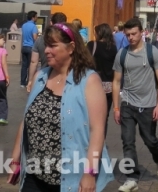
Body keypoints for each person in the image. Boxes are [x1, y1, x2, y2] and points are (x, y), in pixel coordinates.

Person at [8, 22, 113, 192]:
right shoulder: (40, 77)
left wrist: (89, 173)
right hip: (35, 175)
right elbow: (26, 120)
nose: (46, 50)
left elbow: (97, 131)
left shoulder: (89, 81)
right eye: (46, 45)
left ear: (71, 48)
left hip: (71, 179)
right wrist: (15, 160)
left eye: (53, 46)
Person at [112, 17, 158, 192]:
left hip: (148, 105)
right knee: (127, 141)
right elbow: (116, 82)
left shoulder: (152, 52)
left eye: (134, 34)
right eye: (127, 35)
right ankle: (131, 178)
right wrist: (116, 107)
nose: (130, 37)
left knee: (150, 139)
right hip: (128, 104)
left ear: (142, 32)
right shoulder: (122, 54)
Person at [87, 23, 118, 136]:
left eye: (95, 32)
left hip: (93, 85)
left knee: (90, 114)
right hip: (109, 86)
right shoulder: (113, 48)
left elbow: (85, 61)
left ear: (99, 33)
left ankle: (91, 139)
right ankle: (101, 139)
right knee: (104, 116)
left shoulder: (92, 45)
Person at [28, 12, 68, 91]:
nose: (47, 50)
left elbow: (34, 62)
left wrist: (30, 80)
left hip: (45, 77)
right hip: (65, 79)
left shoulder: (40, 40)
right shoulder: (67, 40)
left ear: (51, 23)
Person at [21, 11, 39, 87]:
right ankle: (30, 82)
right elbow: (35, 38)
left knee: (24, 66)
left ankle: (22, 82)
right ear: (33, 17)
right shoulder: (34, 26)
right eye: (36, 17)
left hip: (24, 46)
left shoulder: (24, 25)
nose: (37, 18)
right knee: (31, 65)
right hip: (31, 47)